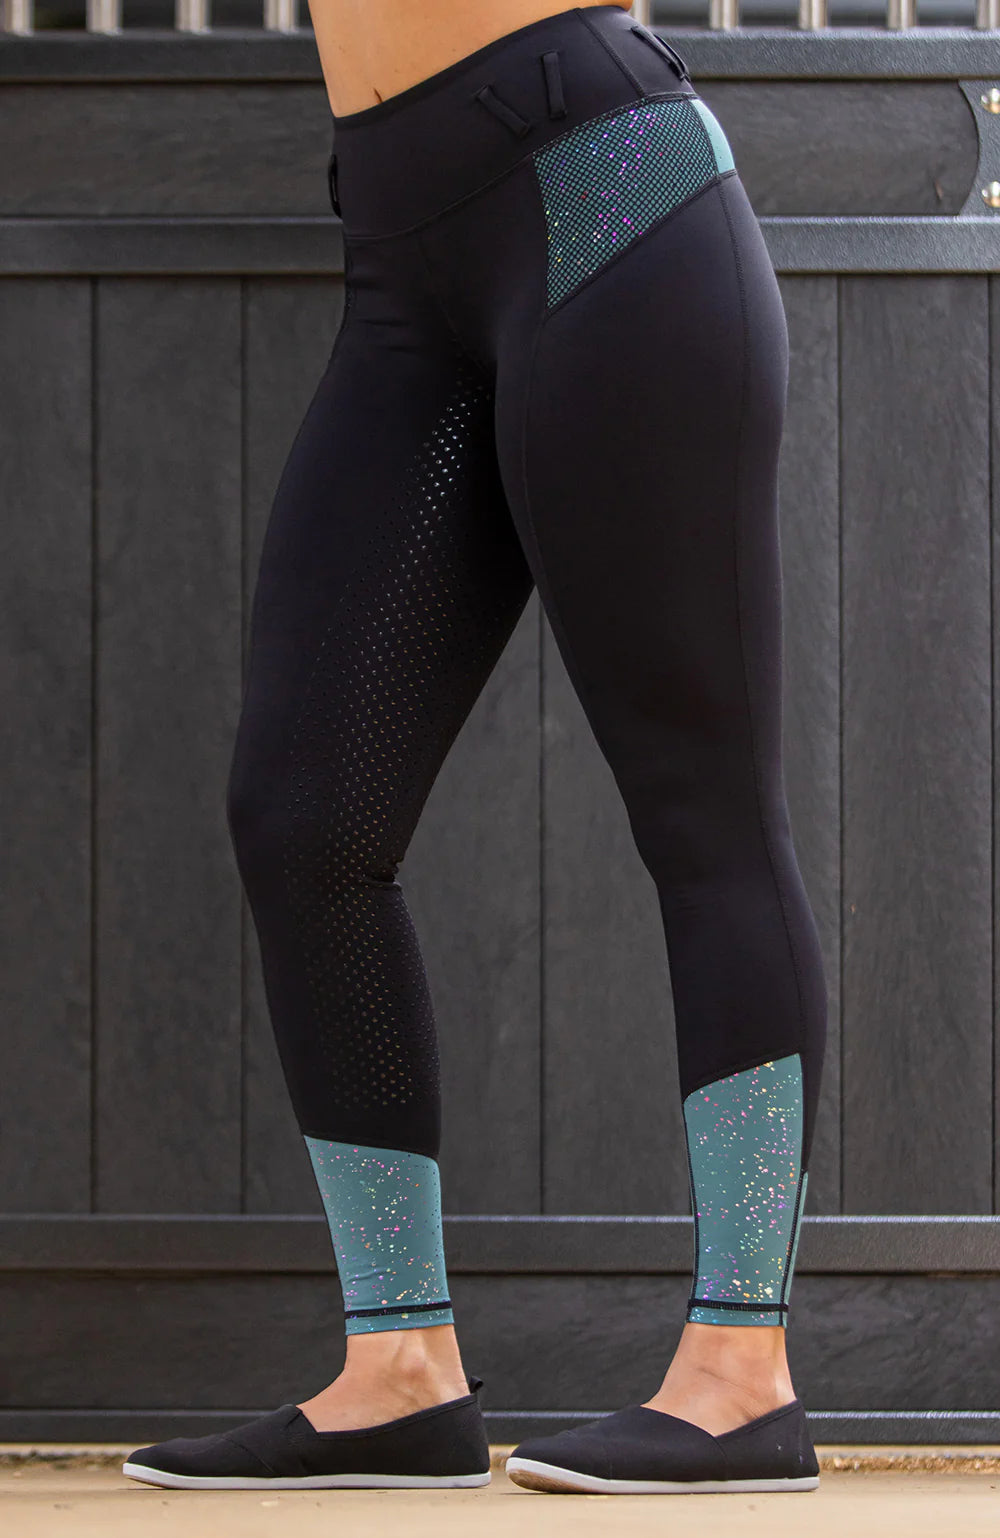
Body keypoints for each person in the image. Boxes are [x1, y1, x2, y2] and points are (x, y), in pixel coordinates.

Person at [122, 0, 827, 1496]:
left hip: (603, 186)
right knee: (303, 815)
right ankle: (400, 1367)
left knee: (703, 807)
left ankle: (741, 1372)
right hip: (400, 250)